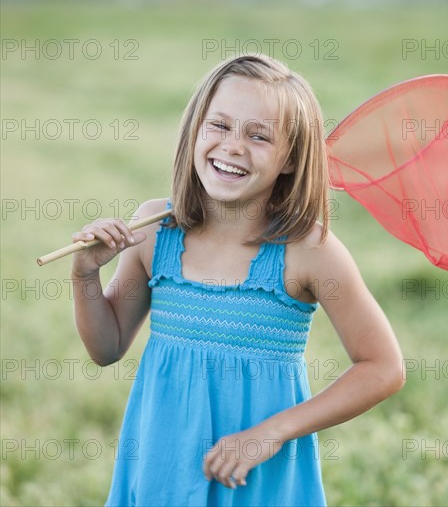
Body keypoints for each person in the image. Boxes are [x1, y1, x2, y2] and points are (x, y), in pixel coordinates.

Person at [70, 54, 405, 506]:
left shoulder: (308, 250)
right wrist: (85, 272)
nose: (233, 146)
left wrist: (271, 433)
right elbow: (106, 347)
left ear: (290, 161)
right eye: (220, 126)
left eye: (259, 135)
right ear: (194, 131)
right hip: (162, 472)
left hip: (256, 480)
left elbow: (383, 367)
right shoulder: (153, 230)